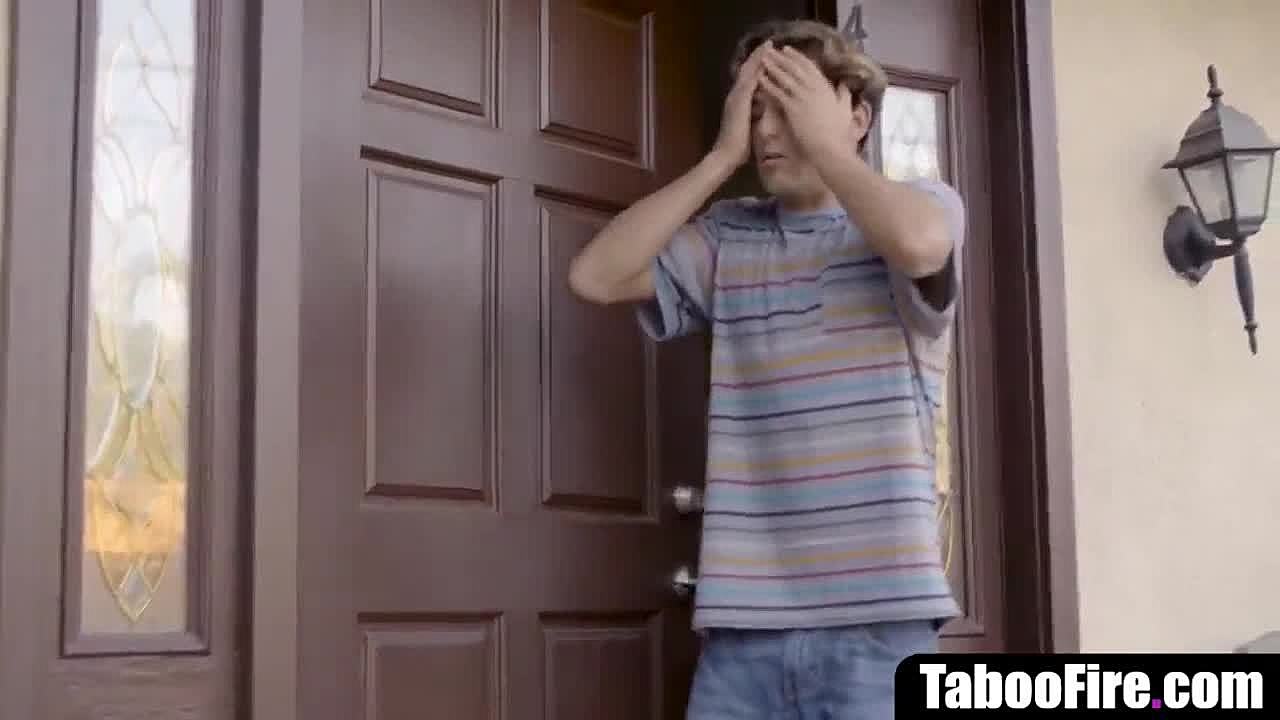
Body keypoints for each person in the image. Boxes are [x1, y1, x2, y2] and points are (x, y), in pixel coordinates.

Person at [568, 18, 964, 720]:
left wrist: (829, 147)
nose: (769, 130)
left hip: (882, 628)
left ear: (859, 116)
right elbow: (595, 276)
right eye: (756, 111)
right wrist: (721, 159)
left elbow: (920, 245)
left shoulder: (920, 209)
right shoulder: (730, 238)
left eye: (792, 105)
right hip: (744, 637)